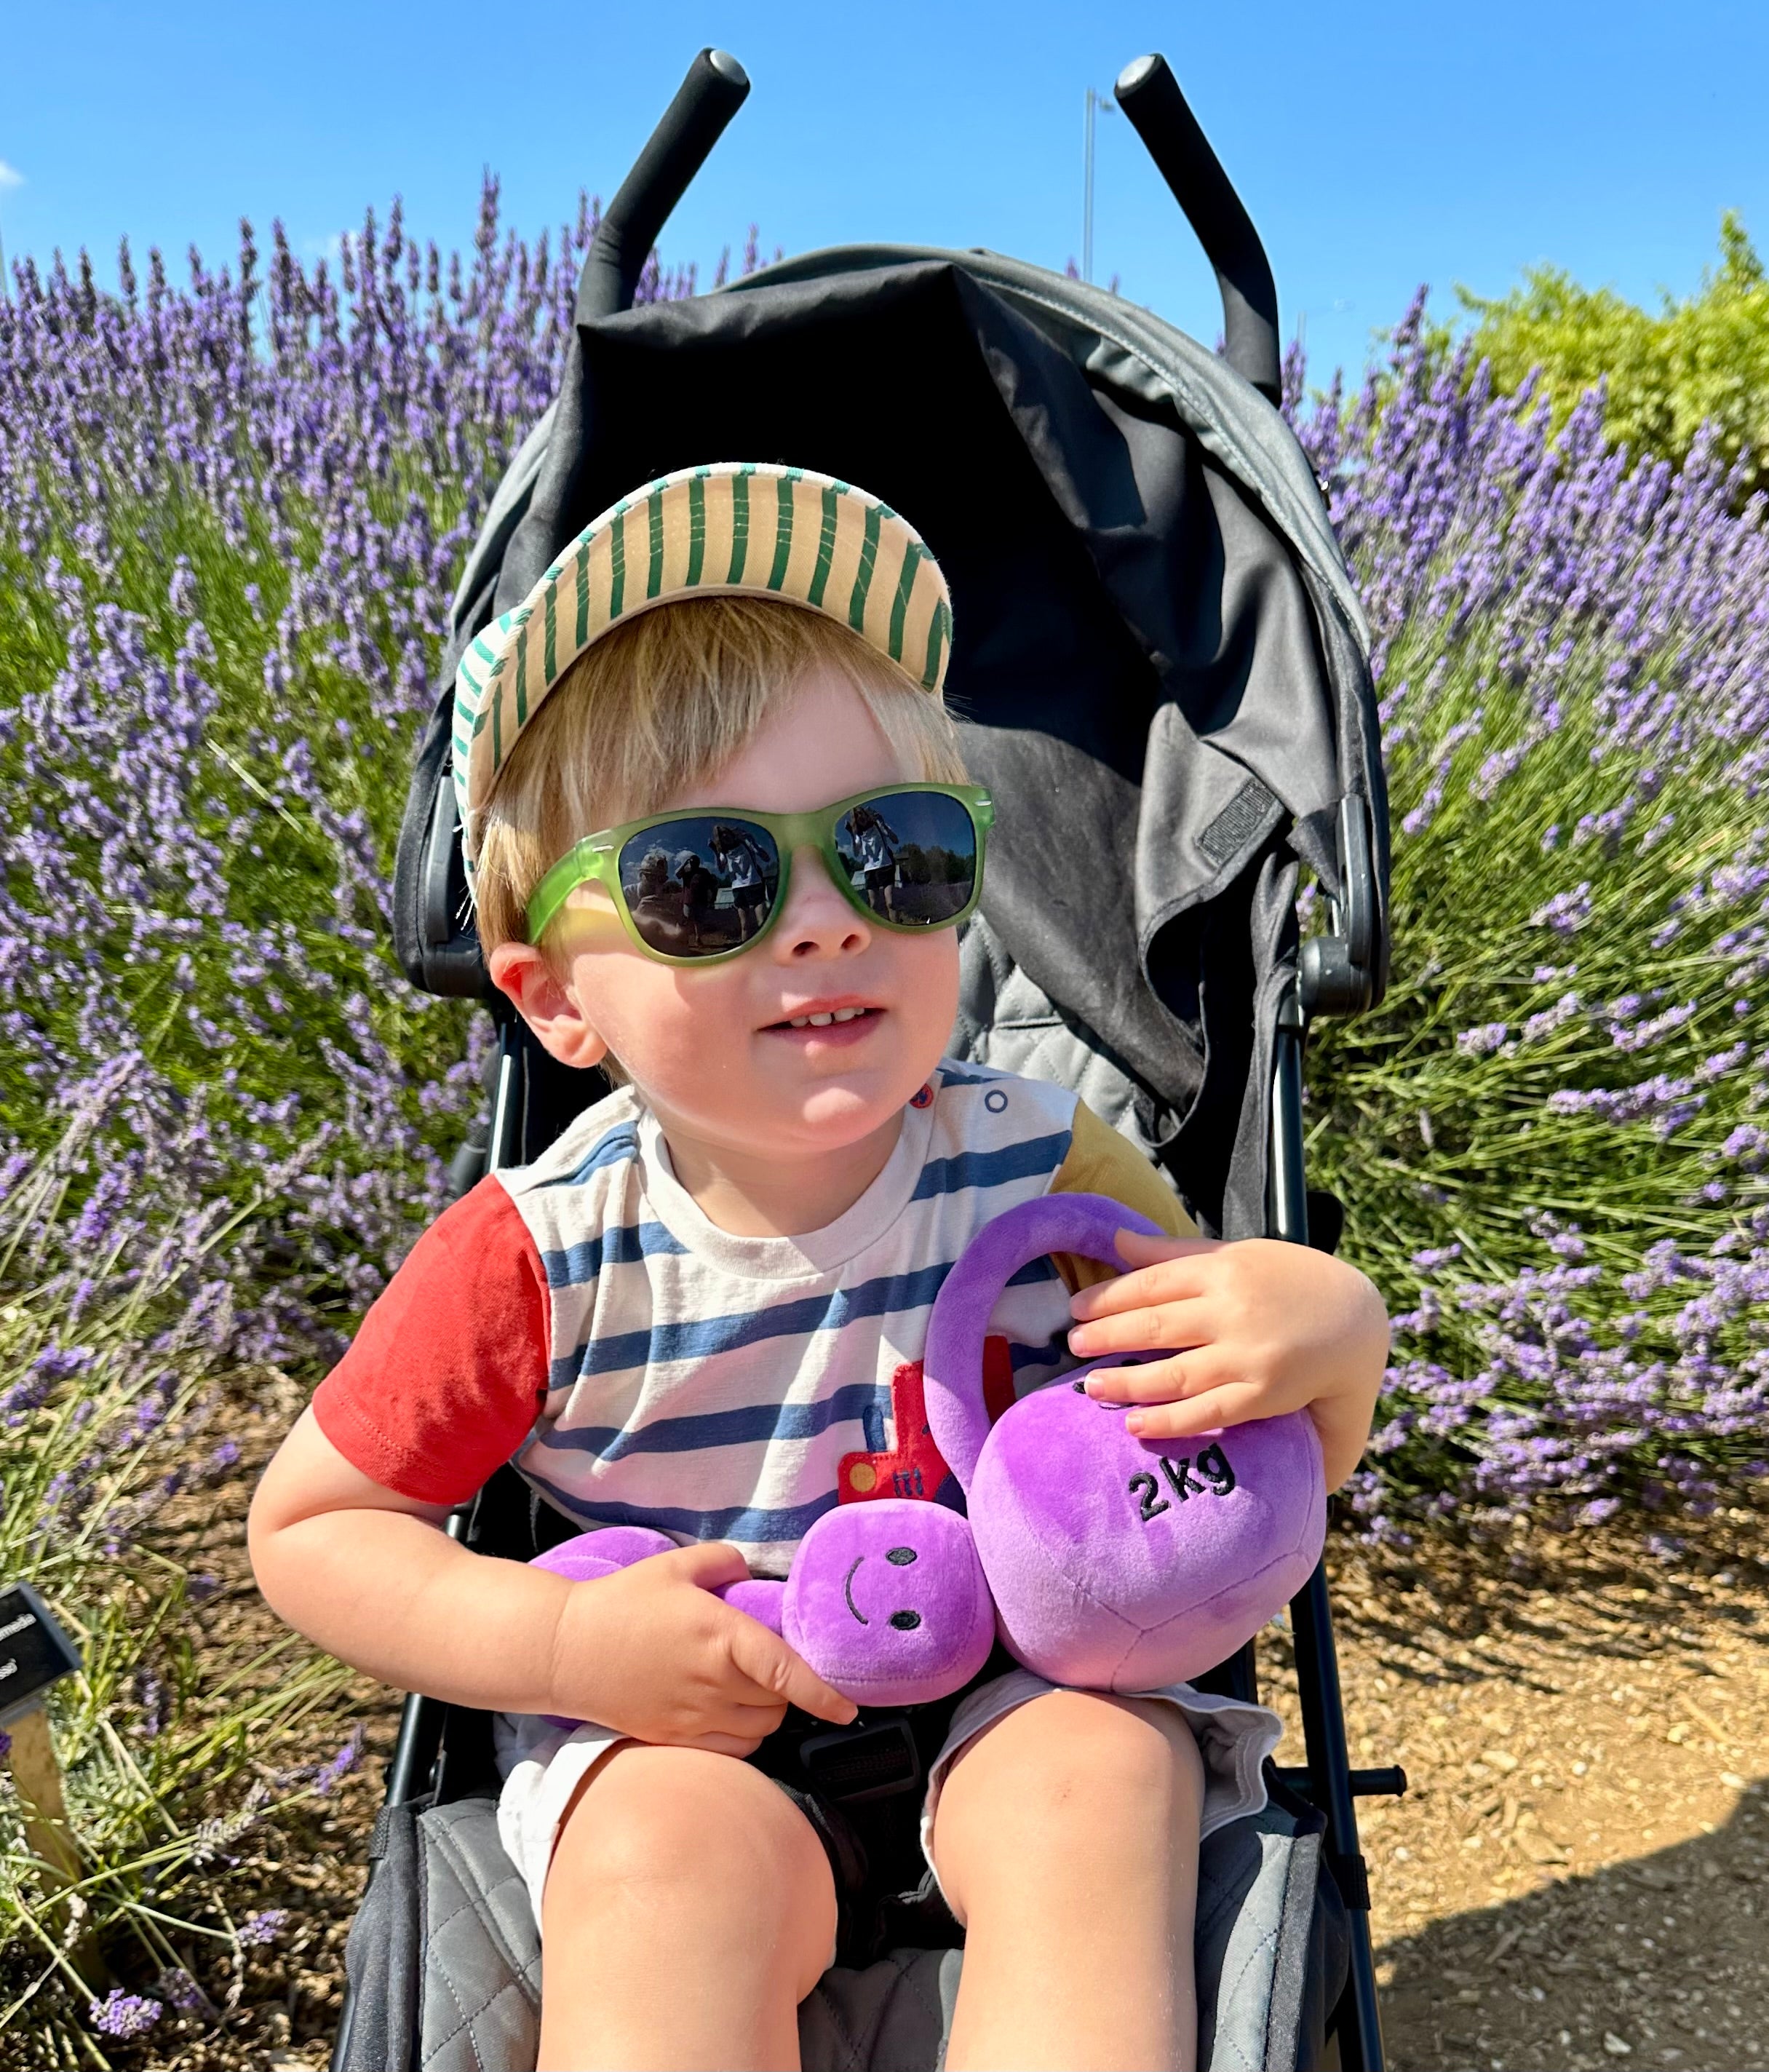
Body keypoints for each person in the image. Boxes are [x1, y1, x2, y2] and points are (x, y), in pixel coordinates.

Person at [247, 464, 1389, 2072]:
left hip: (1019, 1683)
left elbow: (1225, 1450)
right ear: (554, 998)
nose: (822, 923)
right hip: (697, 1730)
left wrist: (1327, 1339)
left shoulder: (1046, 1168)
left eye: (892, 855)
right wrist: (568, 1652)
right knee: (661, 1862)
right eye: (704, 883)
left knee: (1103, 1780)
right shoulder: (540, 1253)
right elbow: (313, 1529)